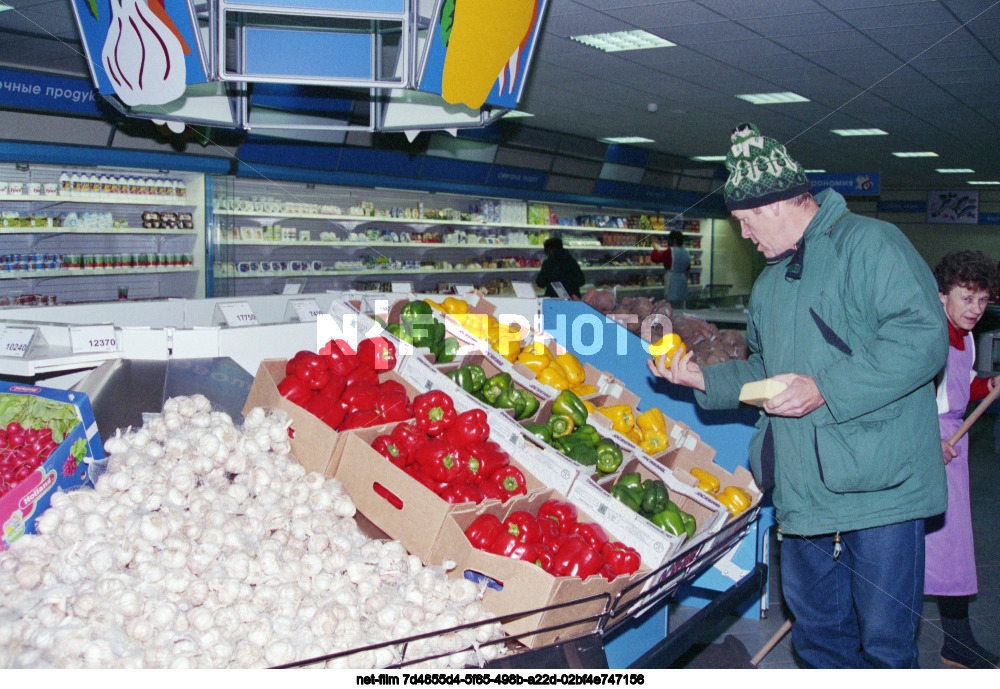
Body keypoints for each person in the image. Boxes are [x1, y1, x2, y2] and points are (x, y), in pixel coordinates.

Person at [647, 122, 948, 668]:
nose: (742, 235)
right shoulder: (769, 285)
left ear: (778, 204)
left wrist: (825, 389)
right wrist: (701, 380)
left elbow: (922, 338)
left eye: (743, 221)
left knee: (884, 646)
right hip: (803, 494)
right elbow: (767, 373)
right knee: (817, 640)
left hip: (879, 492)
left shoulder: (872, 246)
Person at [926, 250, 1000, 669]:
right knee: (913, 549)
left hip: (956, 445)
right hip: (925, 443)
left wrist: (990, 382)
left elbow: (962, 386)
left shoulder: (967, 336)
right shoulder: (928, 335)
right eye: (967, 297)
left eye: (983, 299)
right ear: (941, 297)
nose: (975, 309)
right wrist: (924, 443)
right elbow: (907, 398)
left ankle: (958, 643)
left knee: (953, 547)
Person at [650, 230, 690, 303]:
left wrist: (655, 248)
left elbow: (655, 258)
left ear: (673, 240)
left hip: (672, 280)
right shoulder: (686, 252)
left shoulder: (670, 251)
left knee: (671, 302)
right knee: (682, 302)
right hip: (683, 280)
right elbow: (688, 267)